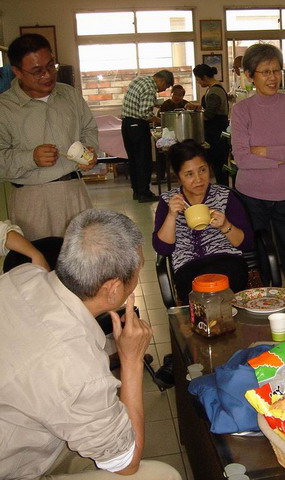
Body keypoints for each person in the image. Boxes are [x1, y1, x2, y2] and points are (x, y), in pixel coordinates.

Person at [0, 209, 181, 479]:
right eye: (138, 270)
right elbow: (126, 462)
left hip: (23, 424)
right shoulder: (78, 369)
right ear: (113, 289)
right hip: (13, 465)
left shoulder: (23, 276)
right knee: (162, 475)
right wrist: (131, 361)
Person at [0, 33, 98, 240]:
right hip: (32, 199)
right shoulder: (4, 108)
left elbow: (89, 128)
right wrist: (30, 158)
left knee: (83, 256)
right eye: (37, 71)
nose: (47, 75)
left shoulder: (69, 95)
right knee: (40, 258)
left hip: (75, 190)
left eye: (51, 66)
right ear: (17, 71)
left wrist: (90, 149)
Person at [231, 43, 285, 292]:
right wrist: (283, 154)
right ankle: (262, 308)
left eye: (276, 70)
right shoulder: (241, 110)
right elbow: (242, 158)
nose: (273, 77)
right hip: (251, 196)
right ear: (249, 75)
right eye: (265, 72)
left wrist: (262, 151)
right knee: (259, 261)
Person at [152, 139, 253, 304]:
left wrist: (226, 226)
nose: (198, 179)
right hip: (188, 270)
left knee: (217, 288)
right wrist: (171, 216)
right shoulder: (168, 201)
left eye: (202, 170)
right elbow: (163, 248)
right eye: (189, 174)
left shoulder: (225, 196)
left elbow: (247, 244)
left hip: (226, 264)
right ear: (178, 177)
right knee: (196, 290)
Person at [121, 69, 174, 203]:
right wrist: (162, 121)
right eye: (165, 86)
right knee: (143, 160)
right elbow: (145, 114)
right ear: (162, 80)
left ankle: (137, 191)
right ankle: (144, 193)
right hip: (138, 126)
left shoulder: (140, 79)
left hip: (127, 124)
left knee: (134, 160)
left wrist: (154, 103)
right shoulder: (150, 88)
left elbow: (138, 102)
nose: (163, 90)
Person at [193, 64, 230, 187]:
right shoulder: (212, 89)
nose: (198, 82)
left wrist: (193, 119)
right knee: (216, 163)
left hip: (217, 132)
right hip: (214, 131)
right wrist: (197, 108)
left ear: (204, 77)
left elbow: (209, 114)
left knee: (219, 163)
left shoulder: (215, 91)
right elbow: (208, 108)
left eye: (198, 79)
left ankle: (223, 189)